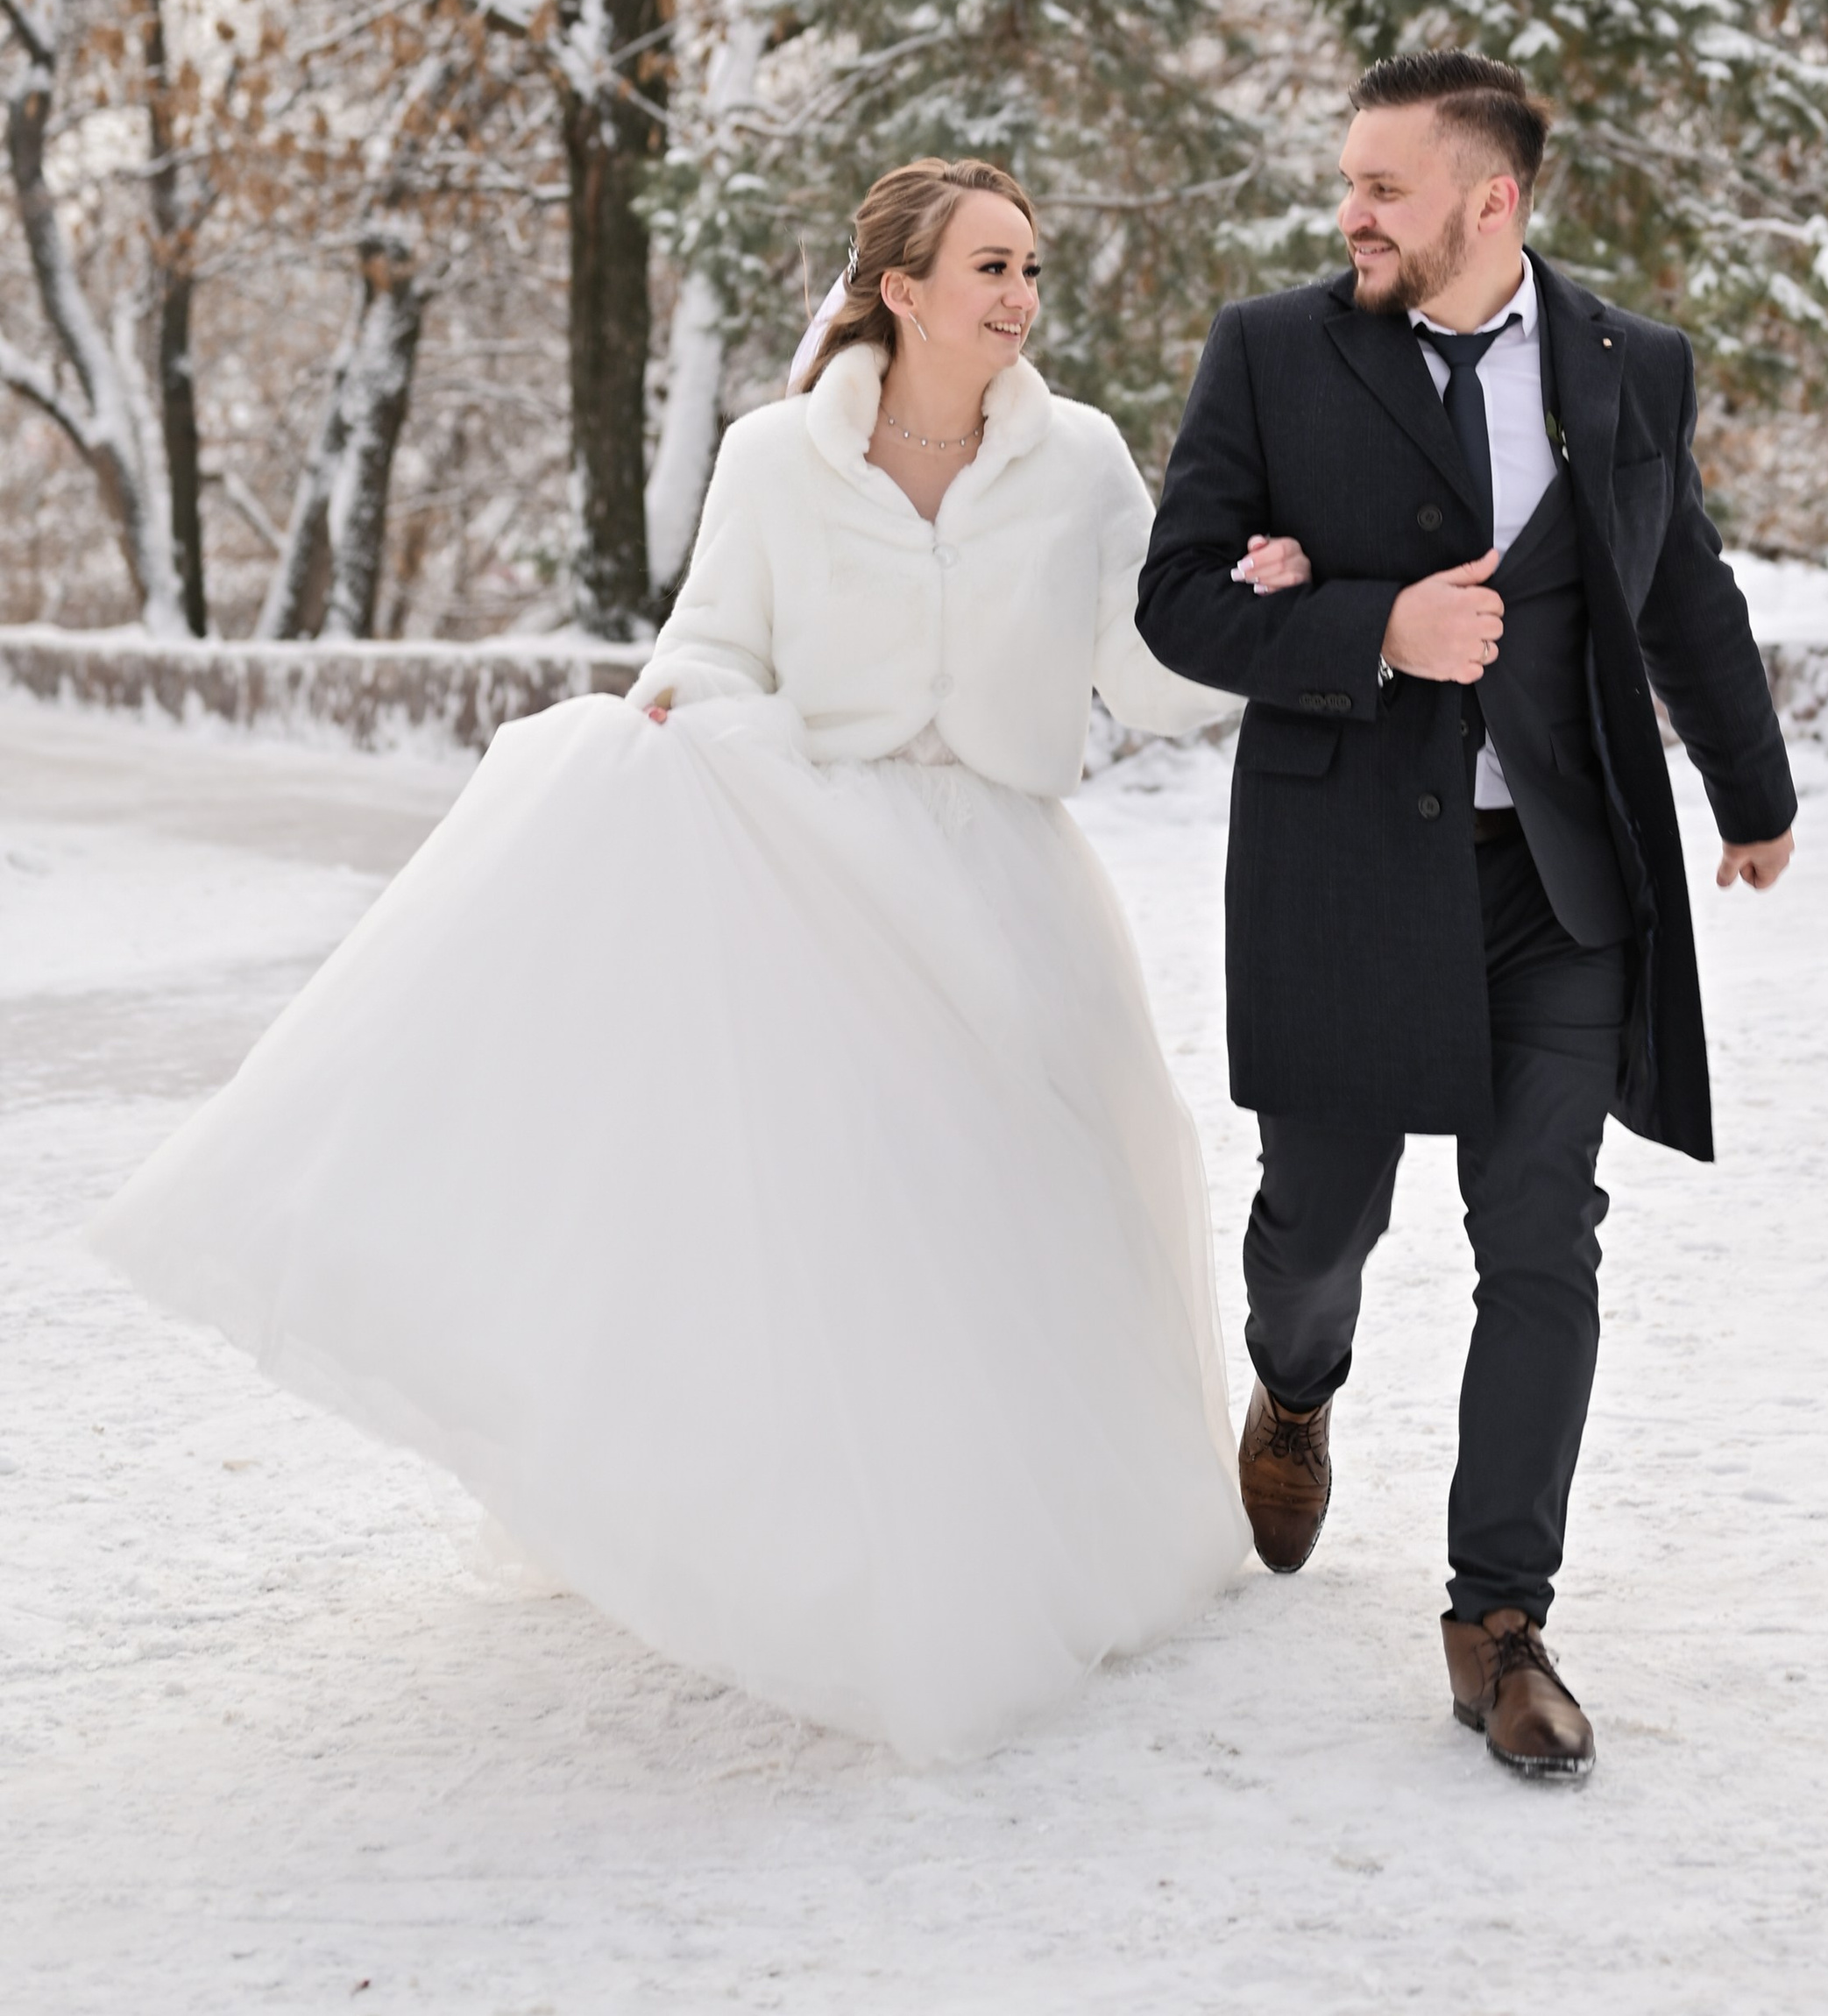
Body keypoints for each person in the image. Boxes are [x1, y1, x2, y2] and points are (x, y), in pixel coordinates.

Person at [94, 157, 1300, 1765]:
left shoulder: (1075, 461)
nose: (1021, 297)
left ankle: (1062, 1543)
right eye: (993, 267)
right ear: (900, 287)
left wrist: (1244, 614)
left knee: (1051, 1207)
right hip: (825, 864)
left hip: (1010, 878)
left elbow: (1138, 678)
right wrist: (682, 712)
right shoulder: (774, 461)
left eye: (1031, 270)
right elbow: (716, 638)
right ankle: (856, 1556)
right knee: (866, 1223)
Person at [1136, 51, 1797, 1784]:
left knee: (1540, 1238)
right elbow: (1176, 604)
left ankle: (1497, 1618)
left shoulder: (1623, 366)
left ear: (1486, 201)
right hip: (1346, 875)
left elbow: (1679, 585)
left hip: (1554, 882)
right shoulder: (1270, 352)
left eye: (1381, 186)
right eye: (1343, 180)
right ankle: (1294, 1384)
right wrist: (1368, 629)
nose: (1344, 211)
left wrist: (1753, 792)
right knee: (1319, 1226)